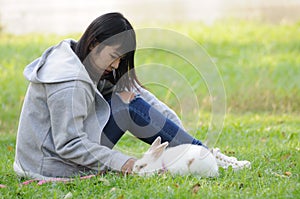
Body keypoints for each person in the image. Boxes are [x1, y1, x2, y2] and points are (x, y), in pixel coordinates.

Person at [13, 12, 250, 179]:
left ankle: (202, 154)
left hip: (59, 154)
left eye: (121, 58)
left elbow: (137, 95)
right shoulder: (68, 82)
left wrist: (177, 134)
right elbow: (69, 144)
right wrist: (124, 163)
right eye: (114, 55)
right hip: (51, 165)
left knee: (127, 98)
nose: (117, 65)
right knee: (126, 106)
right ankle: (201, 155)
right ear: (95, 43)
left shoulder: (85, 59)